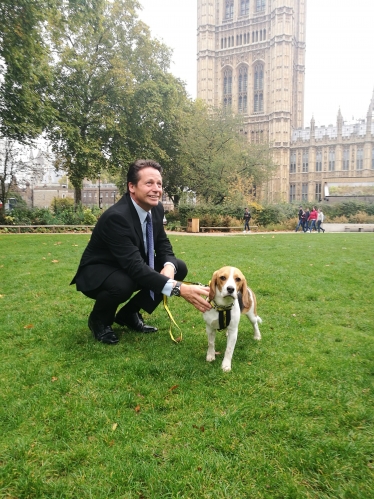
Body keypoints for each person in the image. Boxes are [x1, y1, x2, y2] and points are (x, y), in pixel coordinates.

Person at [71, 159, 211, 344]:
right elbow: (135, 267)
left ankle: (129, 314)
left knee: (179, 267)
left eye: (159, 184)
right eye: (149, 183)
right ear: (132, 186)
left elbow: (163, 244)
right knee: (123, 283)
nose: (156, 189)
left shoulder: (157, 208)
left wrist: (169, 267)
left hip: (129, 266)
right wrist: (179, 288)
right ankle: (99, 320)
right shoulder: (117, 217)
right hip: (100, 272)